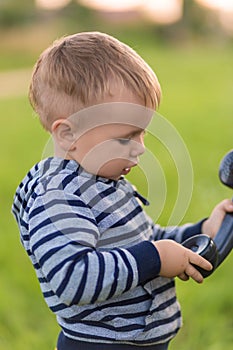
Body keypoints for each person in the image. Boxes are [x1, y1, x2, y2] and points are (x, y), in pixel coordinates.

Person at [12, 32, 233, 350]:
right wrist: (155, 258)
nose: (141, 149)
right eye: (126, 137)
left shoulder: (103, 184)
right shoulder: (58, 198)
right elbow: (73, 279)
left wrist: (203, 230)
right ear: (67, 134)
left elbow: (145, 238)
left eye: (143, 132)